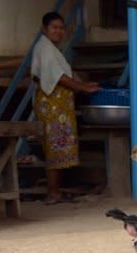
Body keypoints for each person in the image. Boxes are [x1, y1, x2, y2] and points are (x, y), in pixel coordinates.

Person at [31, 11, 99, 204]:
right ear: (45, 29)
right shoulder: (45, 48)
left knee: (56, 149)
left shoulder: (50, 48)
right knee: (54, 149)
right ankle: (53, 193)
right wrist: (83, 87)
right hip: (52, 105)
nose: (59, 31)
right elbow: (59, 77)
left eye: (61, 28)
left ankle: (55, 191)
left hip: (57, 105)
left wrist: (83, 86)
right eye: (54, 27)